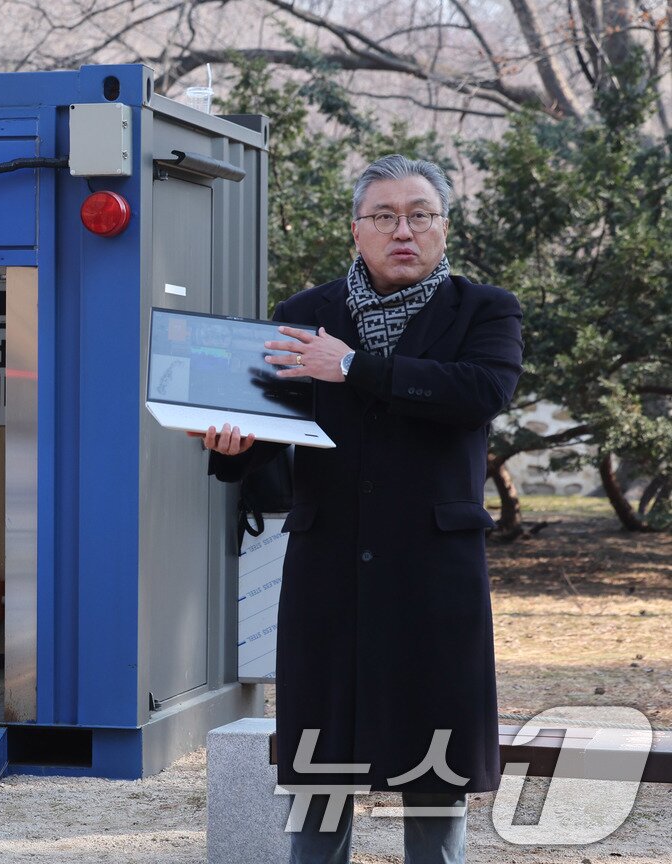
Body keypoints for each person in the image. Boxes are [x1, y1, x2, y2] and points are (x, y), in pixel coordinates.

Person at [198, 154, 523, 864]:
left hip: (434, 568)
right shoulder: (304, 315)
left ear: (444, 227)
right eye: (384, 216)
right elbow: (269, 432)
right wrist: (231, 446)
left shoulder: (484, 310)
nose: (403, 231)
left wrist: (351, 366)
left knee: (436, 759)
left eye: (420, 215)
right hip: (328, 565)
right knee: (320, 756)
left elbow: (479, 393)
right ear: (356, 230)